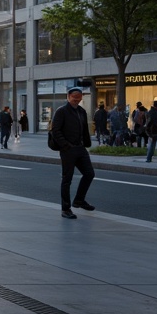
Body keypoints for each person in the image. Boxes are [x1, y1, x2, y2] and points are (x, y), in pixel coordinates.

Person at [49, 88, 94, 219]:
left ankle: (79, 200)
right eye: (74, 96)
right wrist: (65, 145)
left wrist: (86, 144)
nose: (77, 99)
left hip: (80, 148)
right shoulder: (61, 111)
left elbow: (85, 129)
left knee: (89, 173)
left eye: (79, 97)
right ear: (68, 96)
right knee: (67, 179)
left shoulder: (82, 111)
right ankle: (65, 208)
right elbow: (55, 130)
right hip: (68, 150)